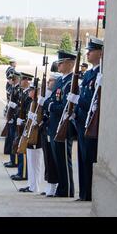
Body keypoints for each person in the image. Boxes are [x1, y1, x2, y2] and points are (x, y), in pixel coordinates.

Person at [73, 37, 104, 201]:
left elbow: (94, 99)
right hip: (81, 121)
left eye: (91, 51)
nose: (88, 53)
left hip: (91, 123)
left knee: (89, 158)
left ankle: (90, 194)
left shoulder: (101, 74)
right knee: (82, 159)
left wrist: (78, 101)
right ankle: (83, 193)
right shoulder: (90, 73)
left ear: (100, 52)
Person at [43, 50, 77, 198]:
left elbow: (65, 106)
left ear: (70, 63)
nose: (59, 65)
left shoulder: (70, 82)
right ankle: (61, 188)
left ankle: (67, 189)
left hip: (62, 126)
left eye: (61, 62)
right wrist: (49, 104)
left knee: (63, 160)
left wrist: (49, 106)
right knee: (57, 160)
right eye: (59, 63)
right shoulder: (60, 81)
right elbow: (51, 99)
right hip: (54, 125)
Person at [39, 71, 61, 197]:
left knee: (52, 159)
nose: (48, 83)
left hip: (52, 129)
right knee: (48, 159)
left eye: (51, 81)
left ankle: (54, 185)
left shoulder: (54, 94)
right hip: (46, 128)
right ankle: (50, 184)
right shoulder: (48, 94)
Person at [10, 73, 34, 181]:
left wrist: (22, 120)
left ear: (27, 81)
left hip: (23, 124)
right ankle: (20, 171)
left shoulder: (28, 94)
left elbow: (26, 110)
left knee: (22, 148)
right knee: (18, 146)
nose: (19, 81)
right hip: (19, 122)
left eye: (22, 80)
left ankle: (23, 173)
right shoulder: (23, 92)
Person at [3, 72, 21, 168]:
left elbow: (19, 105)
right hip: (11, 117)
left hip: (15, 118)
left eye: (12, 79)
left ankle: (15, 161)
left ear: (17, 79)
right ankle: (12, 159)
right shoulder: (14, 88)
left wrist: (13, 115)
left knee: (14, 139)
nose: (10, 80)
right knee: (10, 138)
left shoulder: (19, 89)